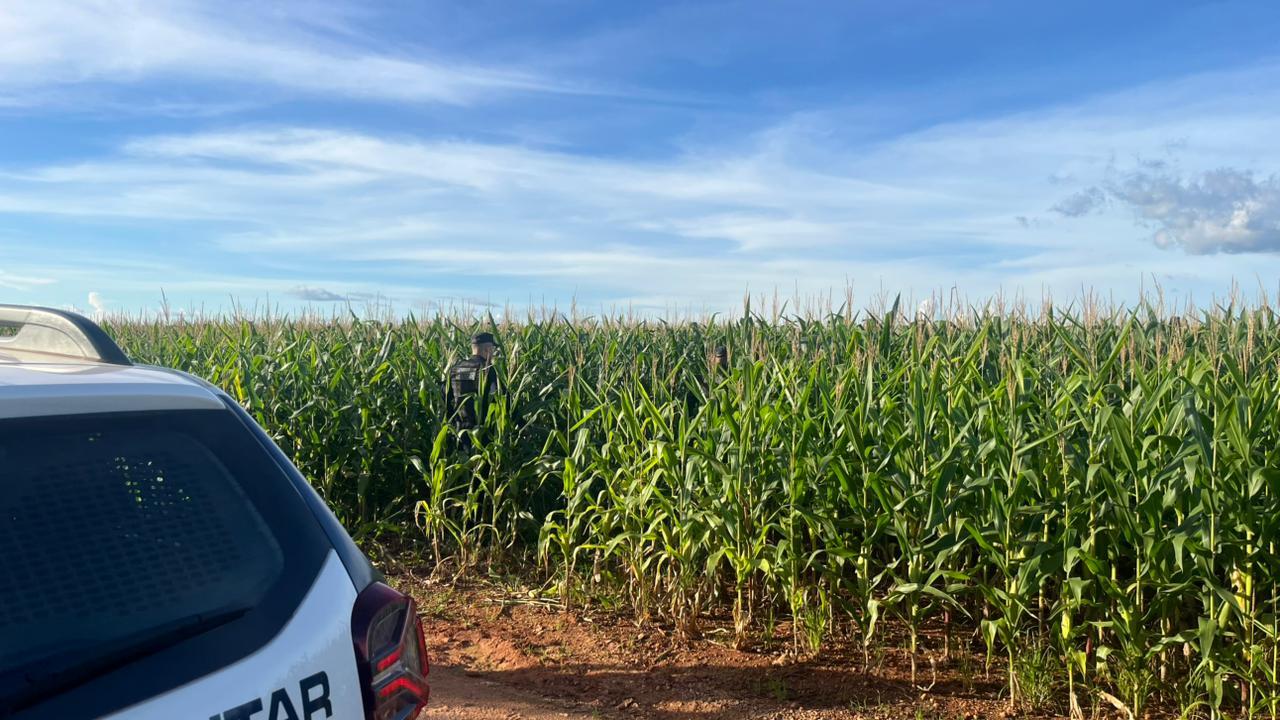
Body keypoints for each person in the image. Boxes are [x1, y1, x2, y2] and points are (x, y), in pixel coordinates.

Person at [446, 332, 501, 437]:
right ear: (487, 349)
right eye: (493, 349)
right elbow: (502, 397)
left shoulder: (456, 369)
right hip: (483, 432)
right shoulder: (487, 370)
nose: (493, 353)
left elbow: (445, 399)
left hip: (460, 431)